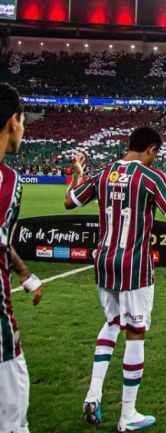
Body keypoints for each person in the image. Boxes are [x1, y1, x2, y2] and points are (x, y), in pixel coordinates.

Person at [64, 127, 166, 432]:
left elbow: (69, 202)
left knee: (112, 322)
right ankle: (127, 414)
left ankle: (93, 394)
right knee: (135, 332)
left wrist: (77, 173)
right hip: (135, 264)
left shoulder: (103, 173)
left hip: (103, 262)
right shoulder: (150, 177)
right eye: (157, 153)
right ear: (152, 150)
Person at [0, 82, 44, 433]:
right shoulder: (7, 180)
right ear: (14, 121)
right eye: (24, 121)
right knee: (13, 420)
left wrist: (25, 275)